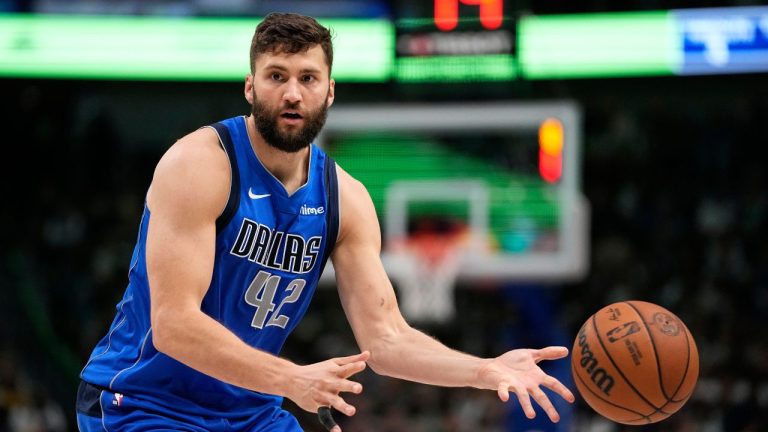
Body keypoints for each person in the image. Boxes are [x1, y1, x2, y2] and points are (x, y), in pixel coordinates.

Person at [76, 12, 575, 432]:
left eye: (307, 79)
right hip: (142, 402)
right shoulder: (201, 164)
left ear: (330, 91)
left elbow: (387, 339)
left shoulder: (346, 199)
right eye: (276, 76)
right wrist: (292, 380)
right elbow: (173, 326)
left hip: (251, 409)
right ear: (250, 87)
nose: (292, 93)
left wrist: (486, 371)